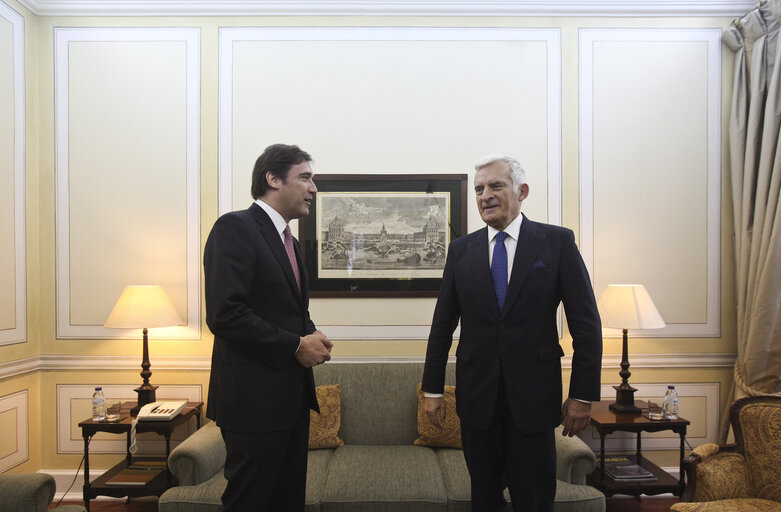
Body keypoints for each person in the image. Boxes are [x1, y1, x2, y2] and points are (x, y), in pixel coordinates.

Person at [422, 155, 602, 512]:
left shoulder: (557, 243)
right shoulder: (461, 250)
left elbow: (586, 324)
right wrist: (432, 389)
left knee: (534, 500)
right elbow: (442, 326)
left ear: (522, 191)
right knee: (485, 500)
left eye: (495, 186)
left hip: (534, 400)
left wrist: (582, 395)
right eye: (479, 189)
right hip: (477, 401)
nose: (485, 195)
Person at [204, 143, 333, 512]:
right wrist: (296, 345)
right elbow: (225, 314)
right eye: (305, 177)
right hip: (252, 404)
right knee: (251, 502)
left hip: (290, 401)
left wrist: (311, 333)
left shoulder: (289, 240)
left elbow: (287, 309)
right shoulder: (235, 228)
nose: (313, 188)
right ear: (272, 179)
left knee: (287, 501)